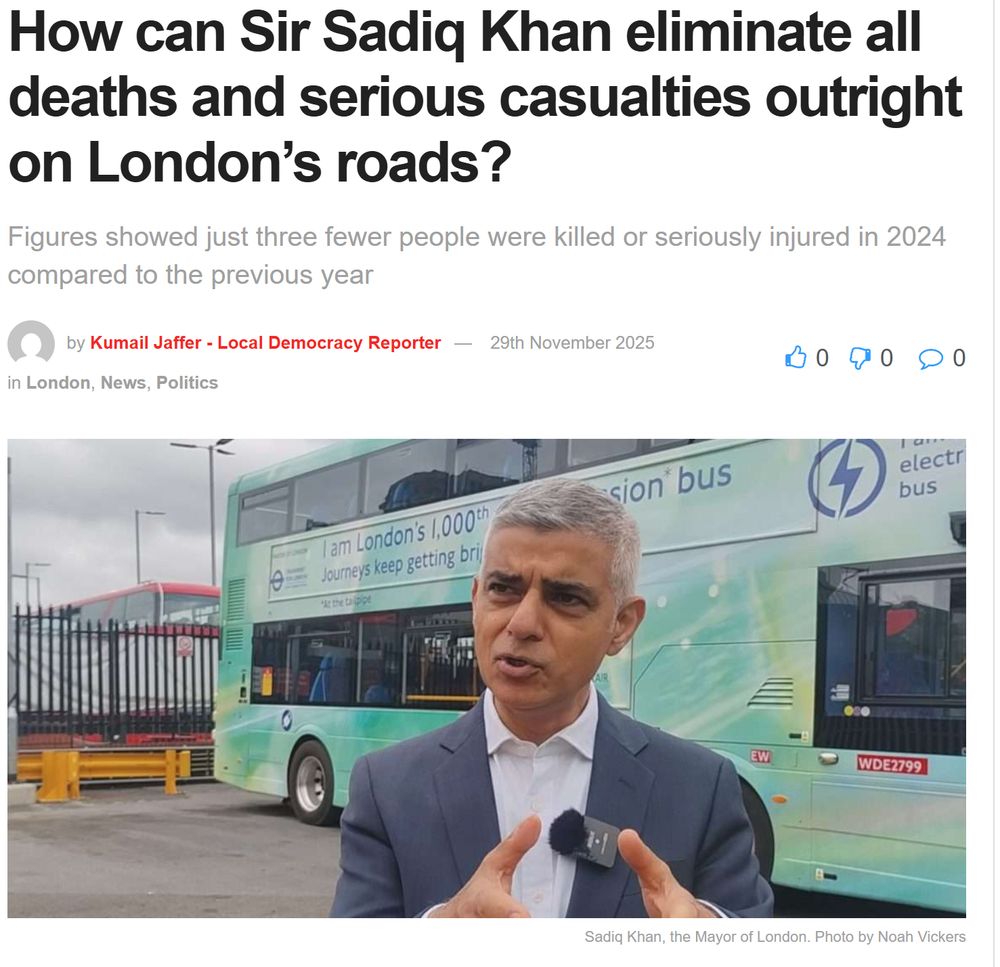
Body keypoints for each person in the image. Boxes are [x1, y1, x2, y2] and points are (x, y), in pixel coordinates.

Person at [330, 478, 773, 918]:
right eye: (503, 588)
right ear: (475, 600)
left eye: (564, 598)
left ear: (621, 625)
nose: (522, 623)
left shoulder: (699, 786)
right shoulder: (387, 789)